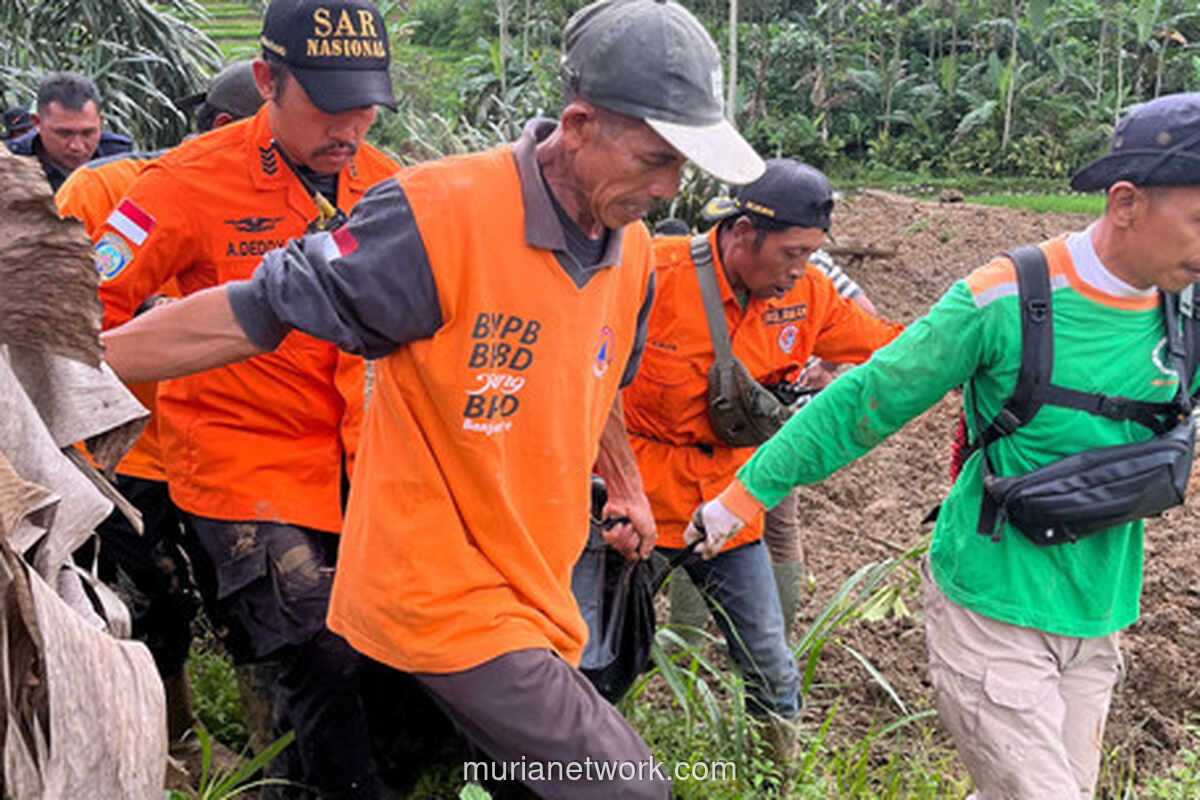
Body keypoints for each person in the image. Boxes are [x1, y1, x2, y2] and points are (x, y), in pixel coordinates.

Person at [99, 1, 765, 796]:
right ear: (579, 123)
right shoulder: (430, 213)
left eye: (680, 166)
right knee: (612, 784)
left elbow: (599, 381)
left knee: (399, 743)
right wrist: (66, 379)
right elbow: (254, 308)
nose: (669, 188)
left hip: (489, 554)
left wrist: (623, 485)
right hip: (363, 541)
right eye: (655, 159)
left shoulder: (623, 252)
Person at [688, 92, 1200, 799]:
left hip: (1100, 615)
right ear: (1125, 202)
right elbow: (866, 400)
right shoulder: (1002, 301)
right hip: (991, 609)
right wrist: (745, 495)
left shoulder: (1186, 310)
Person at [88, 1, 400, 796]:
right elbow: (85, 312)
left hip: (361, 463)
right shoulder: (186, 182)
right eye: (329, 107)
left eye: (366, 106)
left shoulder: (389, 186)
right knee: (321, 645)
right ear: (268, 80)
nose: (350, 128)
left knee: (385, 655)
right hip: (240, 465)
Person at [619, 158, 902, 763]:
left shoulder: (808, 295)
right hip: (638, 506)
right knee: (603, 655)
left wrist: (973, 346)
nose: (799, 270)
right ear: (743, 233)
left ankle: (777, 775)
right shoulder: (652, 273)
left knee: (770, 663)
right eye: (791, 253)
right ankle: (580, 768)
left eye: (810, 255)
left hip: (729, 507)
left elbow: (893, 347)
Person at [55, 59, 264, 776]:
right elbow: (55, 305)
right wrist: (151, 317)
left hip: (230, 445)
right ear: (222, 129)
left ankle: (270, 754)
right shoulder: (109, 191)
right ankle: (170, 741)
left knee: (247, 604)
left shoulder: (299, 204)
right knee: (156, 600)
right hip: (128, 451)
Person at [5, 71, 132, 191]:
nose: (77, 146)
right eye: (64, 134)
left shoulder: (121, 158)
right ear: (37, 122)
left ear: (100, 121)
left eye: (88, 133)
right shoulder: (9, 165)